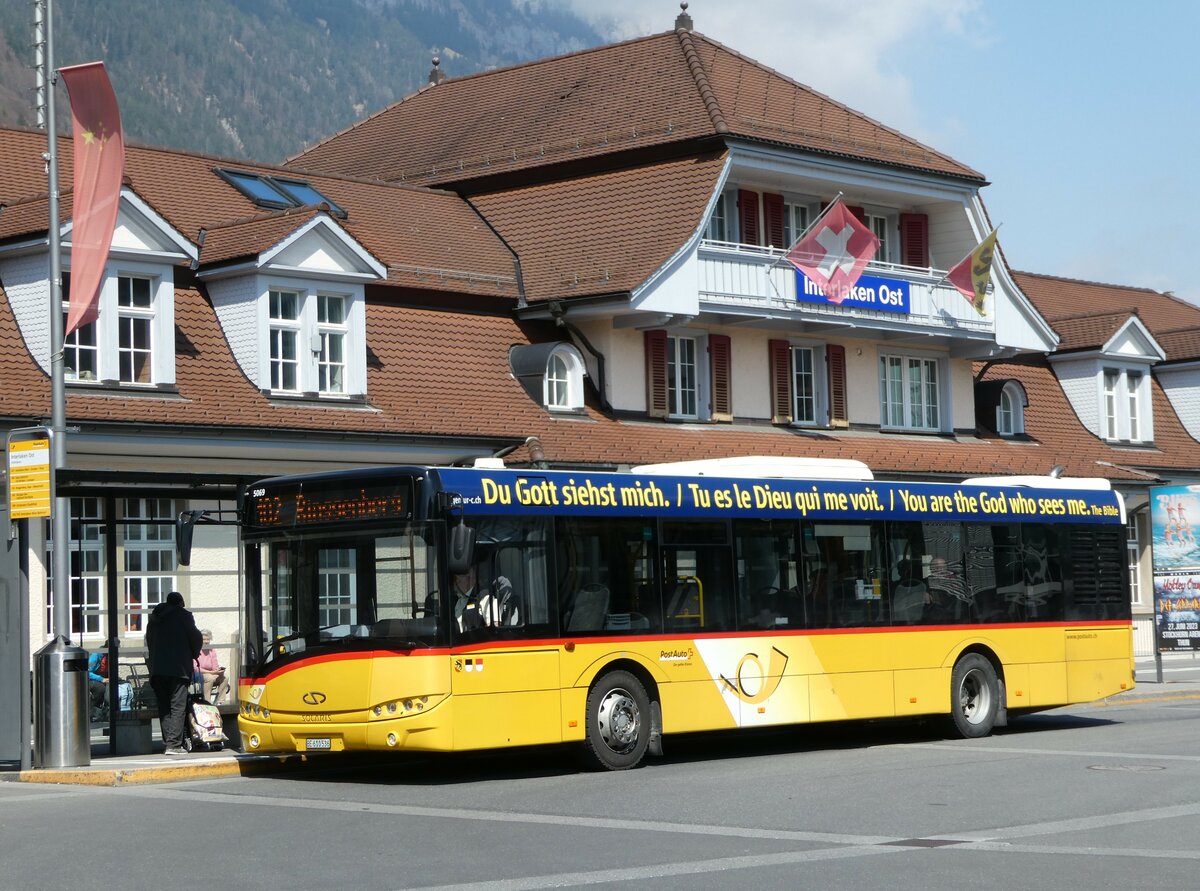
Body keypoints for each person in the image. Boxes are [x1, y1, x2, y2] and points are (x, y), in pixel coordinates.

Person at [146, 591, 202, 755]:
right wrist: (193, 652)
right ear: (180, 603)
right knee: (178, 706)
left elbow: (149, 640)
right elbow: (196, 637)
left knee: (164, 707)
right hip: (178, 669)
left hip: (157, 669)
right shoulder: (184, 616)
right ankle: (174, 745)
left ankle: (168, 742)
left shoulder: (154, 619)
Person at [453, 567, 518, 632]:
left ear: (470, 577)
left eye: (458, 580)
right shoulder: (459, 602)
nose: (454, 584)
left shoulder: (486, 597)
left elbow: (495, 628)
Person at [194, 630, 229, 705]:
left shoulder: (211, 650)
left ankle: (220, 701)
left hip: (211, 673)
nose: (206, 641)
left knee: (225, 678)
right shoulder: (196, 649)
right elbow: (195, 668)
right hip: (198, 674)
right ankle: (207, 701)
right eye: (204, 639)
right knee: (210, 677)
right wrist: (212, 672)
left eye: (208, 639)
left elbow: (214, 666)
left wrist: (218, 670)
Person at [87, 646, 109, 722]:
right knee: (100, 688)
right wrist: (101, 679)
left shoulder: (109, 656)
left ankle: (104, 710)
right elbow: (88, 672)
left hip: (100, 678)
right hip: (88, 680)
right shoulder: (95, 656)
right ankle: (93, 708)